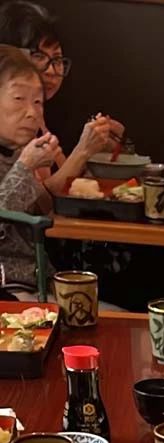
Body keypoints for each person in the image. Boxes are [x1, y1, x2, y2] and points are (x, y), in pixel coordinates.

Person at [0, 1, 122, 194]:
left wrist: (97, 152)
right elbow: (41, 200)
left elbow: (45, 200)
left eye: (57, 59)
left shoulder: (40, 121)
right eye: (38, 56)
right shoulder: (14, 131)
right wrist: (83, 151)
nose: (51, 71)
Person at [0, 44, 57, 294]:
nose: (33, 113)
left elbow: (45, 211)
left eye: (37, 102)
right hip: (10, 293)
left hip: (42, 282)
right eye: (19, 99)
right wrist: (25, 166)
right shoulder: (20, 160)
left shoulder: (13, 154)